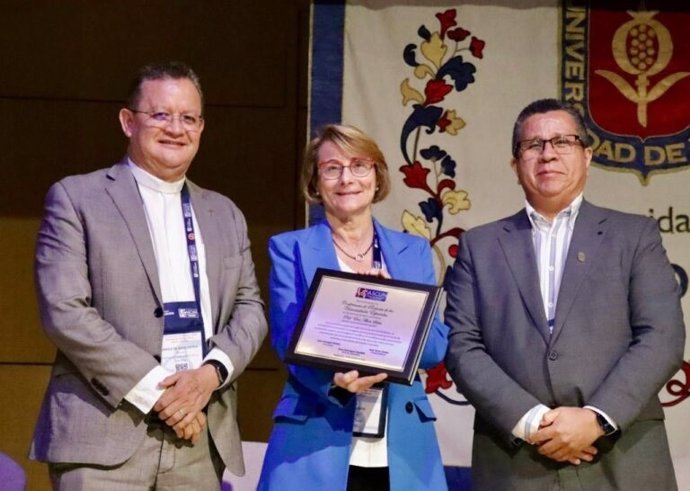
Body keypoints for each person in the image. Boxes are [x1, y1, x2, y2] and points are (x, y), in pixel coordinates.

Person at [30, 61, 268, 489]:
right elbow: (65, 312)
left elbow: (250, 309)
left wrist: (209, 374)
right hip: (106, 433)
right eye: (160, 115)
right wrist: (163, 391)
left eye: (188, 118)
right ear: (127, 121)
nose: (176, 128)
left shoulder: (225, 213)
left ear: (201, 127)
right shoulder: (76, 198)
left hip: (197, 437)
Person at [444, 98, 686, 490]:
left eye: (563, 142)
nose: (548, 154)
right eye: (533, 145)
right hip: (517, 459)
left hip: (620, 456)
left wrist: (595, 418)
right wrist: (535, 422)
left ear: (587, 156)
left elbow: (663, 336)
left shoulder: (635, 235)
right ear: (514, 164)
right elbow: (461, 345)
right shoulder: (479, 246)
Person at [258, 124, 449, 491]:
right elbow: (287, 341)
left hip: (401, 449)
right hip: (315, 436)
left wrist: (397, 307)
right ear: (316, 183)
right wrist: (335, 382)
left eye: (359, 165)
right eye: (332, 168)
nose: (347, 178)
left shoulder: (413, 252)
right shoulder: (290, 248)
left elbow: (437, 348)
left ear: (377, 177)